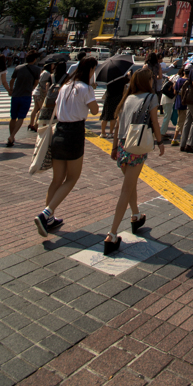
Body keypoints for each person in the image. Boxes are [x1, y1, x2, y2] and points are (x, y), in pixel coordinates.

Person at [34, 58, 99, 237]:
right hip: (74, 133)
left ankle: (49, 217)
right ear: (91, 69)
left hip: (59, 131)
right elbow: (94, 111)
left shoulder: (65, 86)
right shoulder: (86, 89)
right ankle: (46, 213)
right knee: (72, 178)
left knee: (57, 179)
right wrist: (91, 89)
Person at [105, 67, 165, 254]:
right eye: (150, 79)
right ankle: (112, 234)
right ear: (145, 82)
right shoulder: (151, 98)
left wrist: (114, 147)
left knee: (130, 185)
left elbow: (117, 126)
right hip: (136, 146)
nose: (152, 81)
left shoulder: (127, 98)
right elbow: (155, 122)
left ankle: (136, 215)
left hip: (123, 144)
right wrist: (160, 141)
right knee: (126, 189)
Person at [7, 50, 39, 146]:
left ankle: (11, 136)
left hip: (16, 95)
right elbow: (36, 82)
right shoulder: (37, 69)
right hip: (26, 95)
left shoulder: (18, 67)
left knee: (13, 117)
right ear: (34, 59)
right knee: (21, 117)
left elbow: (12, 80)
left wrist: (11, 89)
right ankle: (12, 136)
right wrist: (31, 88)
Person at [100, 67, 129, 139]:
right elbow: (129, 80)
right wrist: (128, 74)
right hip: (117, 98)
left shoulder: (109, 77)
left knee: (105, 116)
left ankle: (102, 132)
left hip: (108, 97)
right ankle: (110, 133)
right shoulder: (122, 78)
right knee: (114, 116)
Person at [29, 60, 55, 131]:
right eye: (52, 65)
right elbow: (41, 83)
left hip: (36, 92)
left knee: (36, 108)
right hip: (40, 93)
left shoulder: (43, 72)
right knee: (41, 109)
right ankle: (36, 125)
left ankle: (31, 124)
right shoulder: (47, 73)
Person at [171, 64, 188, 145]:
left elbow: (175, 92)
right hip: (185, 103)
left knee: (181, 120)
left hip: (178, 101)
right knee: (181, 121)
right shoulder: (188, 81)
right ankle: (174, 138)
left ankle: (182, 136)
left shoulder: (179, 80)